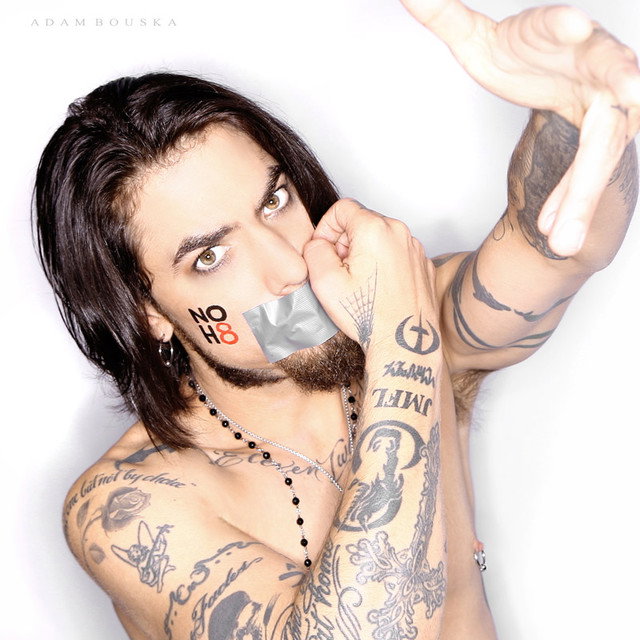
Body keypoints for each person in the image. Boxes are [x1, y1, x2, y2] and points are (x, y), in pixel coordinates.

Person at [33, 0, 638, 638]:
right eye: (210, 256)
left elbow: (561, 247)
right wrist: (401, 337)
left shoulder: (405, 317)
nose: (289, 267)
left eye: (274, 200)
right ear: (147, 313)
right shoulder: (127, 508)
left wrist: (571, 112)